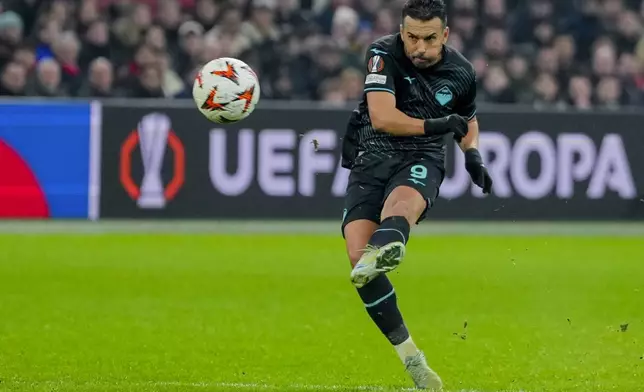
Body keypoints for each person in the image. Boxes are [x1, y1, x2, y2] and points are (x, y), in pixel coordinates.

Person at [340, 0, 493, 390]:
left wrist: (472, 154)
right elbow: (382, 116)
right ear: (401, 31)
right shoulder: (382, 52)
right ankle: (412, 359)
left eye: (428, 39)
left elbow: (468, 120)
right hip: (372, 153)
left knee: (401, 207)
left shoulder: (461, 72)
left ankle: (393, 241)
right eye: (411, 37)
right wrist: (441, 123)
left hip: (421, 157)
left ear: (445, 35)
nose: (418, 47)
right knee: (360, 264)